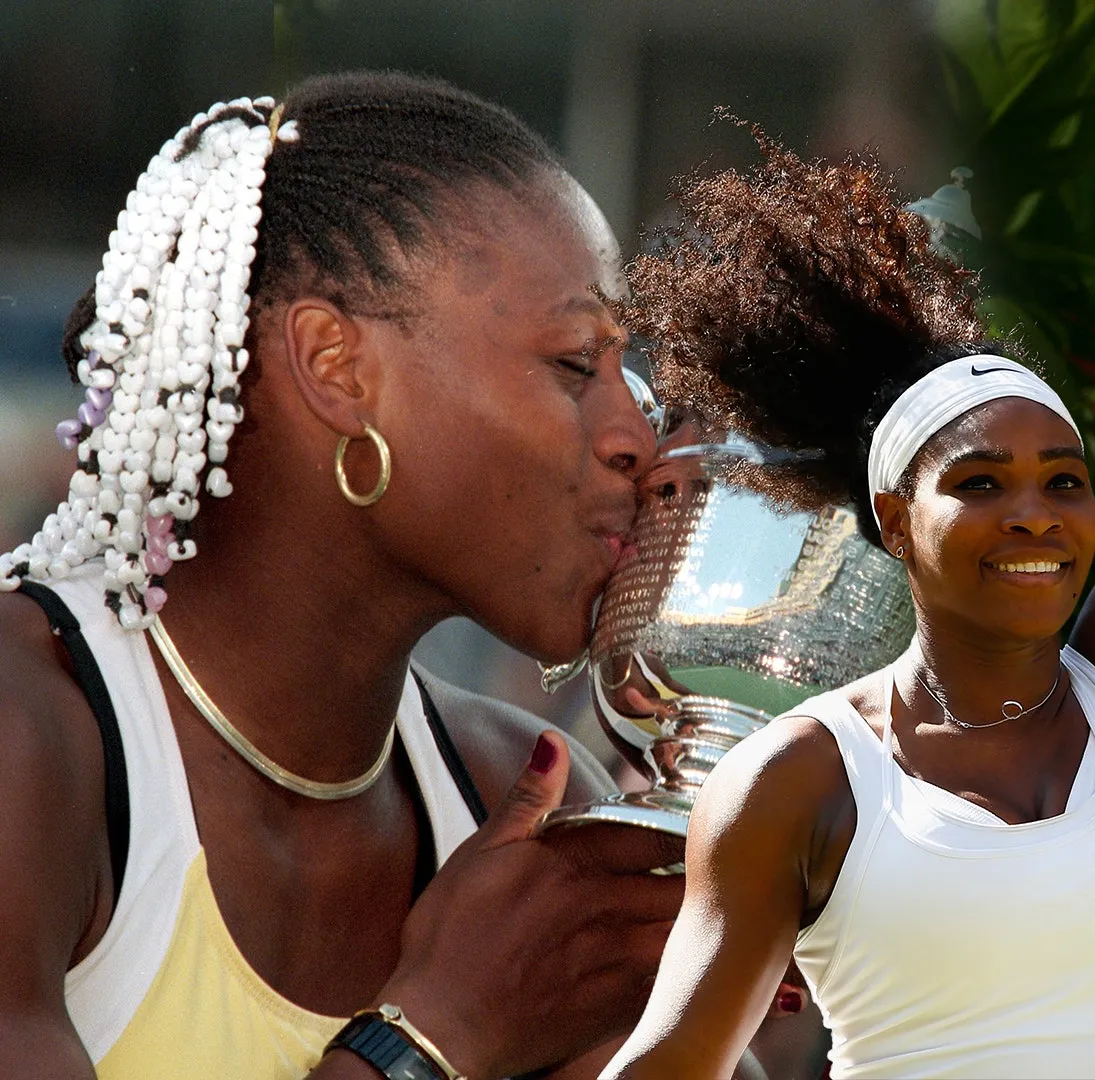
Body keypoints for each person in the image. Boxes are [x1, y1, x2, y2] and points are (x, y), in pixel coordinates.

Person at [597, 2, 1095, 1076]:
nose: (1035, 515)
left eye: (1064, 481)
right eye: (980, 482)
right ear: (891, 522)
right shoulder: (803, 778)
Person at [0, 73, 686, 1079]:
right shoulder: (31, 738)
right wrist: (430, 1039)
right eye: (578, 364)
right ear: (336, 366)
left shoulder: (511, 798)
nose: (637, 437)